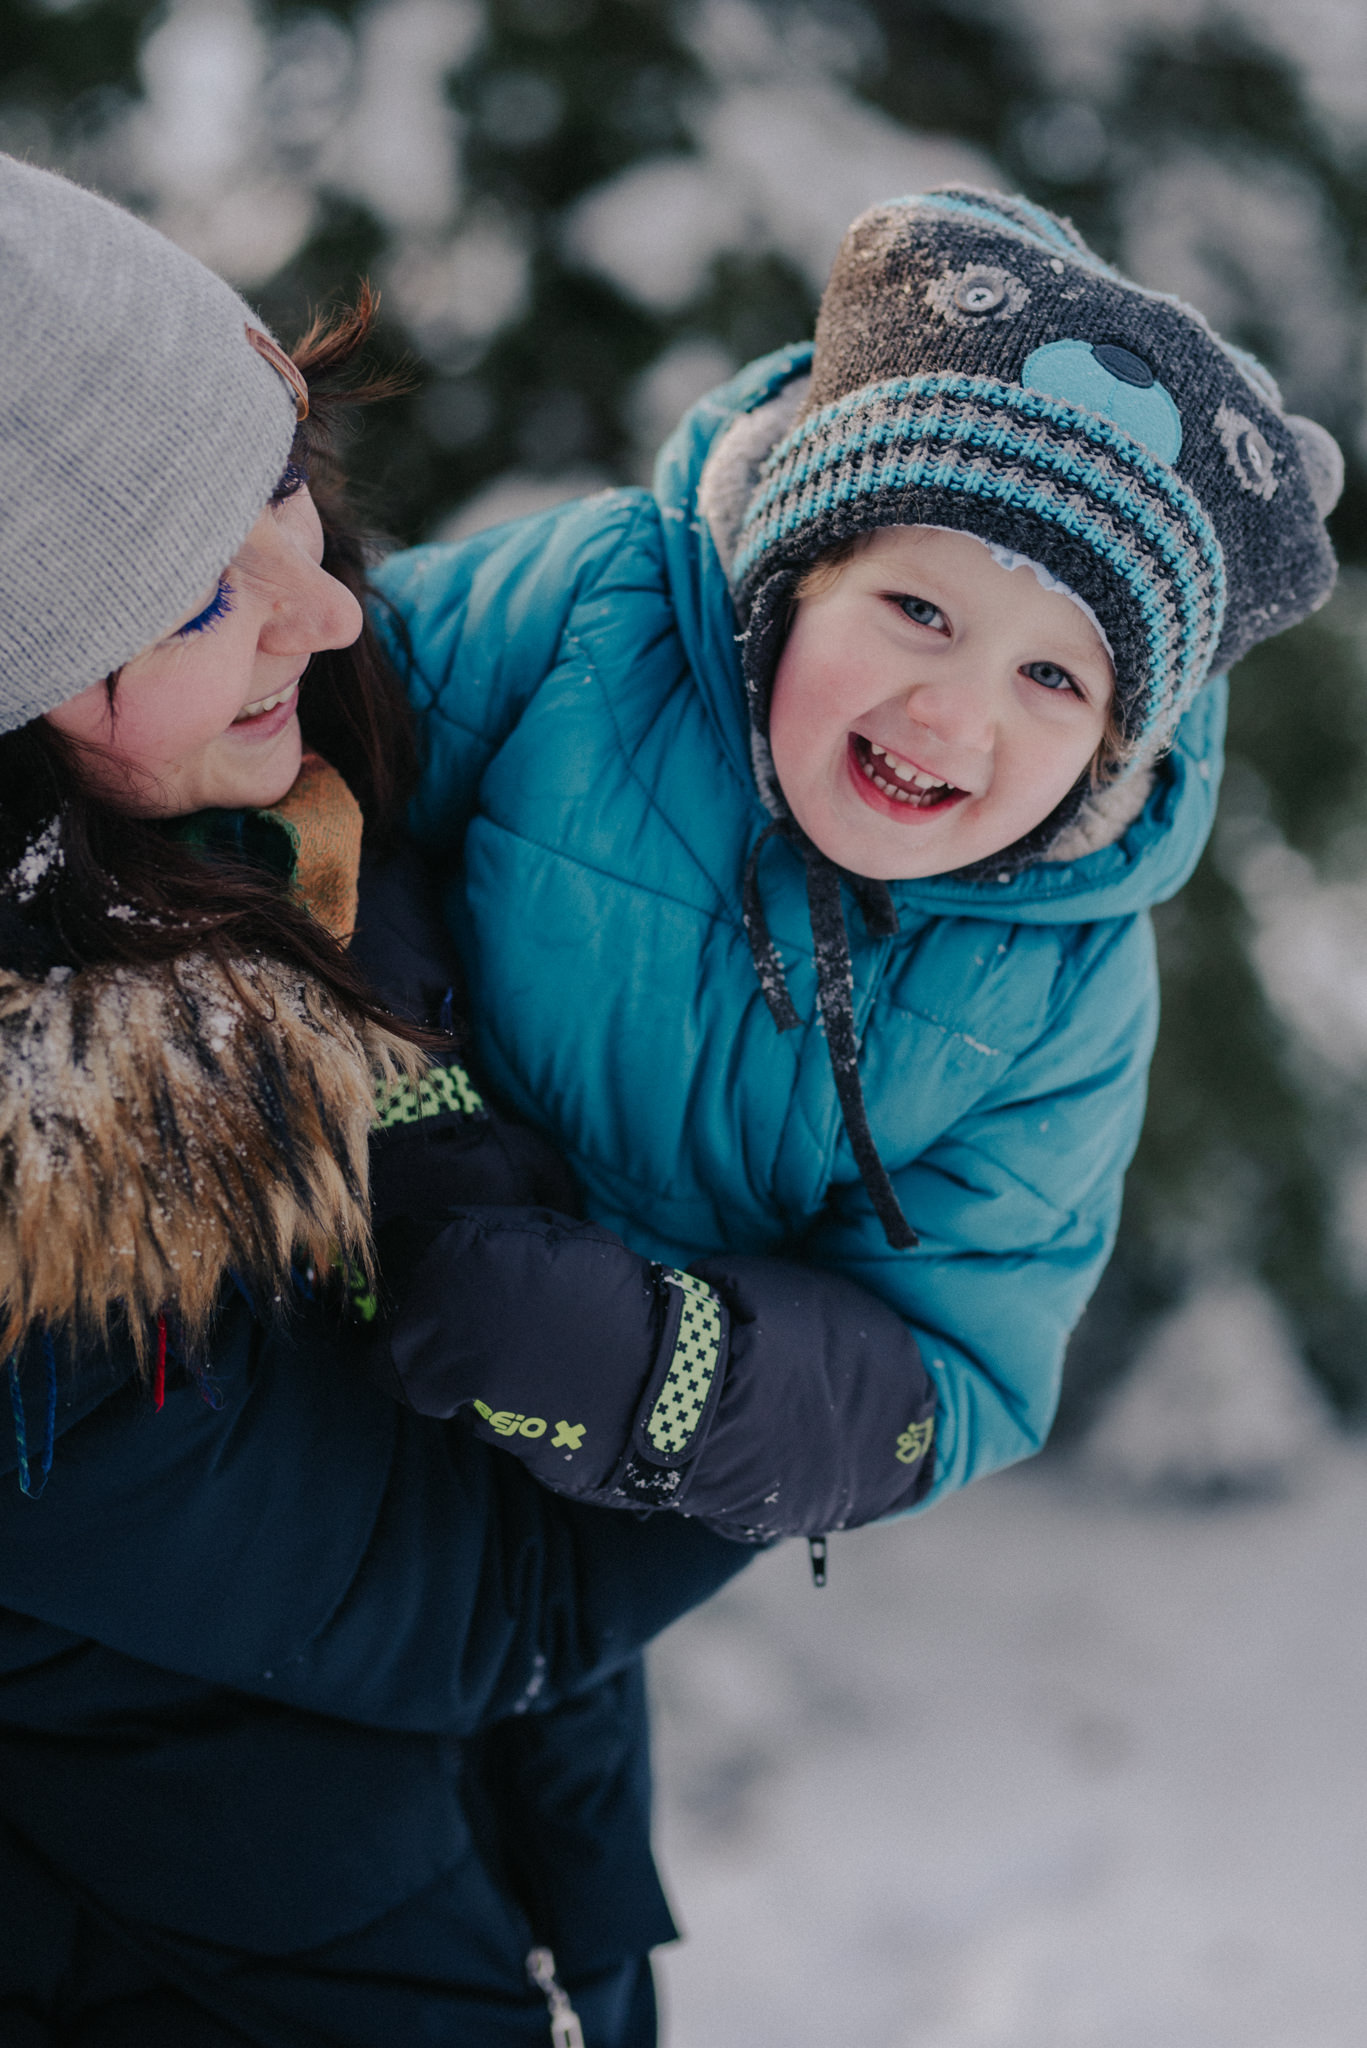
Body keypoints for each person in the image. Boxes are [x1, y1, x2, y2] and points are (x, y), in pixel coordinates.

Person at [0, 153, 942, 2048]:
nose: (328, 618)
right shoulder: (54, 1230)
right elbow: (480, 1604)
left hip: (494, 1923)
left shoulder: (282, 835)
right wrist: (873, 1376)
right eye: (198, 591)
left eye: (290, 503)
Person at [370, 188, 1344, 1515]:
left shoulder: (1061, 984)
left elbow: (961, 1370)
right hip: (302, 1279)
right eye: (918, 608)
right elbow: (297, 757)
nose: (958, 713)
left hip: (599, 1508)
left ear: (1115, 747)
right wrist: (412, 1109)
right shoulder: (594, 613)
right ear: (796, 573)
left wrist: (665, 1376)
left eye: (1055, 679)